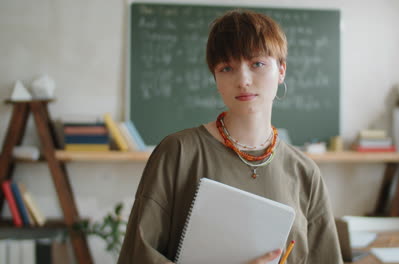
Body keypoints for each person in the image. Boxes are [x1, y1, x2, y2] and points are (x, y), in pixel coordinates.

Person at [117, 9, 342, 264]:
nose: (243, 80)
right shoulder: (178, 152)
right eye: (227, 68)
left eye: (257, 64)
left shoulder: (305, 173)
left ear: (281, 70)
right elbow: (138, 256)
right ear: (215, 78)